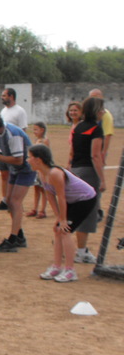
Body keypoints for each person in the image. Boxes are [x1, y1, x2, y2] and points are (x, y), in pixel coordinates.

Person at [29, 144, 98, 282]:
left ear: (38, 160)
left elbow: (61, 197)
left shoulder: (55, 173)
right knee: (57, 229)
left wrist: (64, 219)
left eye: (30, 157)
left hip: (85, 199)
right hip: (73, 200)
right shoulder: (42, 173)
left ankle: (70, 270)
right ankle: (56, 266)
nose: (27, 160)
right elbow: (50, 195)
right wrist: (58, 217)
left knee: (65, 230)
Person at [0, 108, 34, 253]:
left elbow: (18, 159)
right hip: (15, 169)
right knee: (9, 201)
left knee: (15, 202)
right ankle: (19, 236)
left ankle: (13, 239)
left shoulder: (12, 134)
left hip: (26, 168)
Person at [67, 96, 105, 265]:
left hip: (76, 170)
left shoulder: (78, 127)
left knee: (74, 210)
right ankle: (81, 252)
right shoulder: (96, 129)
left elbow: (72, 152)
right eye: (101, 109)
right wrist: (102, 179)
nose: (103, 112)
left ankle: (66, 244)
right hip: (88, 172)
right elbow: (95, 155)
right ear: (96, 111)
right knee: (88, 211)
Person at [0, 87, 29, 209]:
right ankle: (5, 200)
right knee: (4, 175)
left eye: (4, 95)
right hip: (2, 148)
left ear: (11, 96)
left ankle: (14, 200)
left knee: (13, 175)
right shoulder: (3, 111)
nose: (2, 98)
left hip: (13, 150)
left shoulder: (20, 111)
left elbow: (23, 130)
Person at [26, 122, 50, 219]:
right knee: (36, 189)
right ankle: (35, 208)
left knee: (43, 189)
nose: (34, 131)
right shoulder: (37, 140)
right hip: (36, 168)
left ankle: (42, 210)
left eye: (36, 129)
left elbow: (46, 155)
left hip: (41, 168)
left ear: (42, 130)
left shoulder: (45, 140)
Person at [88, 89, 114, 164]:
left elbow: (107, 135)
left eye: (96, 96)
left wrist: (103, 153)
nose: (94, 99)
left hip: (97, 150)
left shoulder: (105, 115)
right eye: (92, 97)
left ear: (101, 98)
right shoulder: (87, 113)